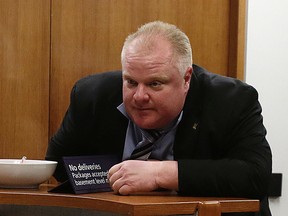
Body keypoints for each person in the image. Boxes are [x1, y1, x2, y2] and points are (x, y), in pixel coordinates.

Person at [46, 21, 272, 216]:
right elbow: (58, 164)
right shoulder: (92, 96)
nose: (139, 96)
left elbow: (255, 176)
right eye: (131, 82)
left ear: (186, 79)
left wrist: (160, 173)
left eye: (155, 84)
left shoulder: (231, 100)